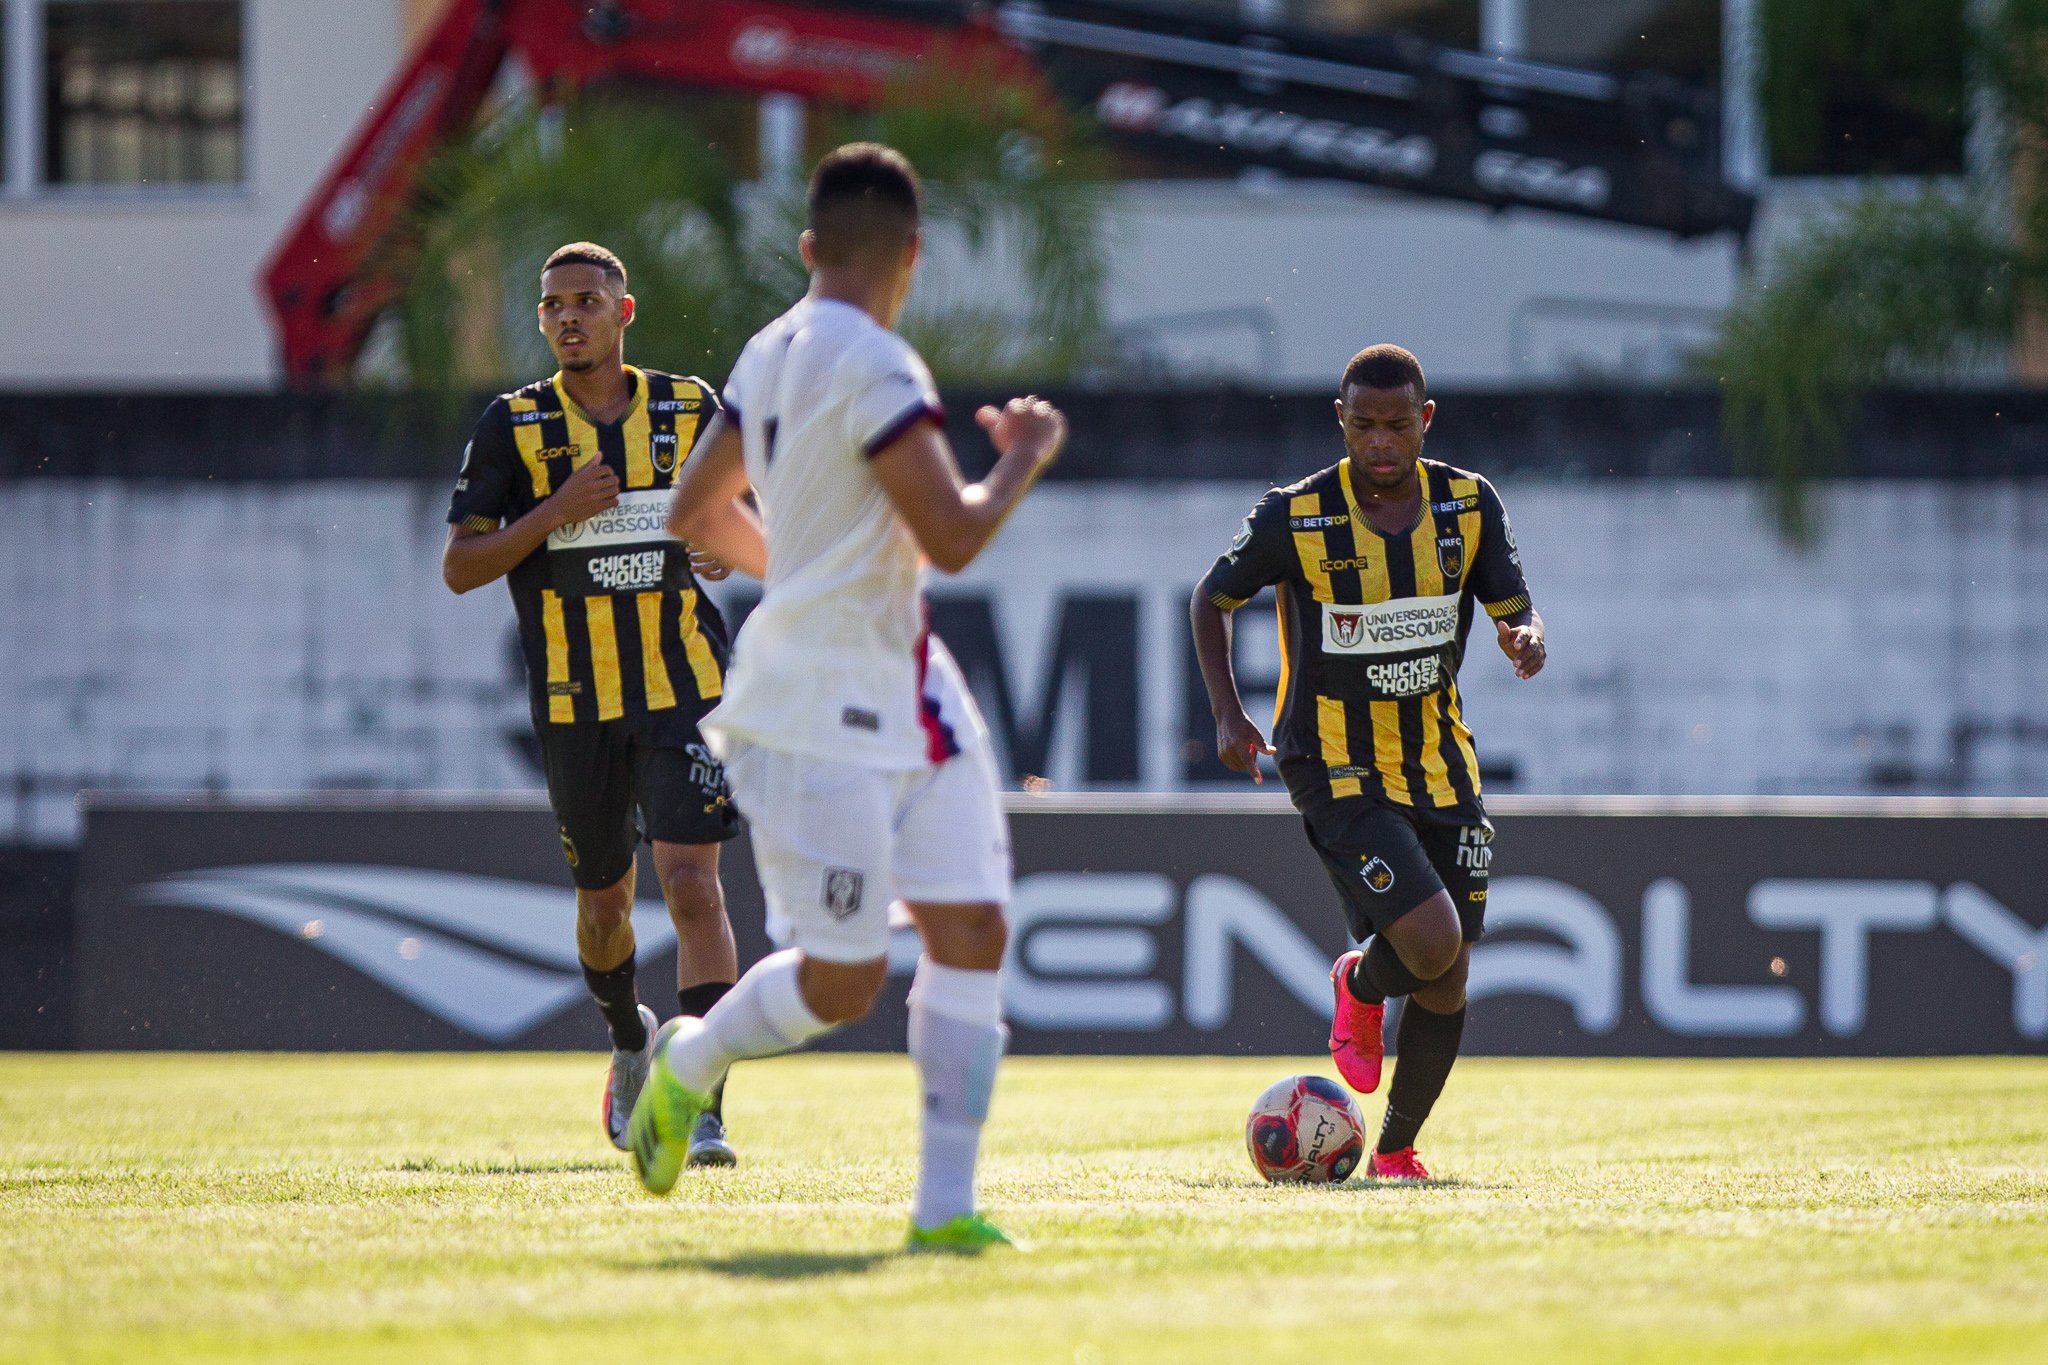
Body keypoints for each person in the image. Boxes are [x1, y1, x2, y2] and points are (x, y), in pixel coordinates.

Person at [632, 143, 1066, 1251]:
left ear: (808, 246)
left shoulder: (769, 347)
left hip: (906, 683)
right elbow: (956, 535)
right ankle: (690, 1058)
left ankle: (944, 1209)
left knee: (971, 925)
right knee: (843, 982)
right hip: (810, 704)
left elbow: (692, 510)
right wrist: (1022, 455)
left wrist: (808, 571)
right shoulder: (877, 364)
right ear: (913, 256)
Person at [1189, 344, 1545, 1181]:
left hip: (1440, 759)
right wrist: (1228, 713)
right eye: (1363, 424)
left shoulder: (1468, 505)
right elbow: (1213, 598)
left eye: (1396, 424)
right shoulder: (1298, 514)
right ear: (1339, 420)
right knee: (1430, 941)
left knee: (1449, 972)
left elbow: (1516, 610)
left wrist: (1525, 639)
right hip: (1333, 763)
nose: (1380, 441)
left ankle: (1394, 1149)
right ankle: (1360, 983)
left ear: (1425, 420)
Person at [442, 242, 746, 1166]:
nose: (568, 316)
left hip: (685, 688)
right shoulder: (514, 426)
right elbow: (460, 566)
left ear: (625, 311)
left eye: (586, 300)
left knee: (694, 883)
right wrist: (554, 512)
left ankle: (700, 1107)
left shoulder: (690, 408)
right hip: (576, 703)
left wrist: (725, 548)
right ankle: (627, 1039)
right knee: (606, 904)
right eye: (552, 305)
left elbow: (742, 516)